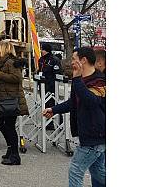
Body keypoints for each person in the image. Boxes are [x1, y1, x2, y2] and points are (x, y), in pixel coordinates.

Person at [43, 47, 105, 186]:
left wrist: (76, 79)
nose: (71, 62)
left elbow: (91, 101)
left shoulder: (100, 81)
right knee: (98, 172)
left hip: (95, 135)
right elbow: (74, 102)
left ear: (83, 60)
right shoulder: (81, 80)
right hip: (90, 134)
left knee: (75, 170)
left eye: (74, 59)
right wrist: (54, 109)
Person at [0, 41, 29, 165]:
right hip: (4, 98)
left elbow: (17, 78)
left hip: (10, 100)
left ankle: (15, 155)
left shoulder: (10, 62)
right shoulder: (2, 62)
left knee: (9, 126)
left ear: (3, 50)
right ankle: (10, 150)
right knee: (0, 121)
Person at [39, 44, 61, 129]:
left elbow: (58, 73)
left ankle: (60, 122)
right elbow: (40, 70)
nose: (41, 51)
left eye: (43, 49)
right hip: (42, 85)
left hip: (51, 86)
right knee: (45, 105)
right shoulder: (41, 59)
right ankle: (49, 123)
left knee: (53, 104)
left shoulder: (54, 60)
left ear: (46, 50)